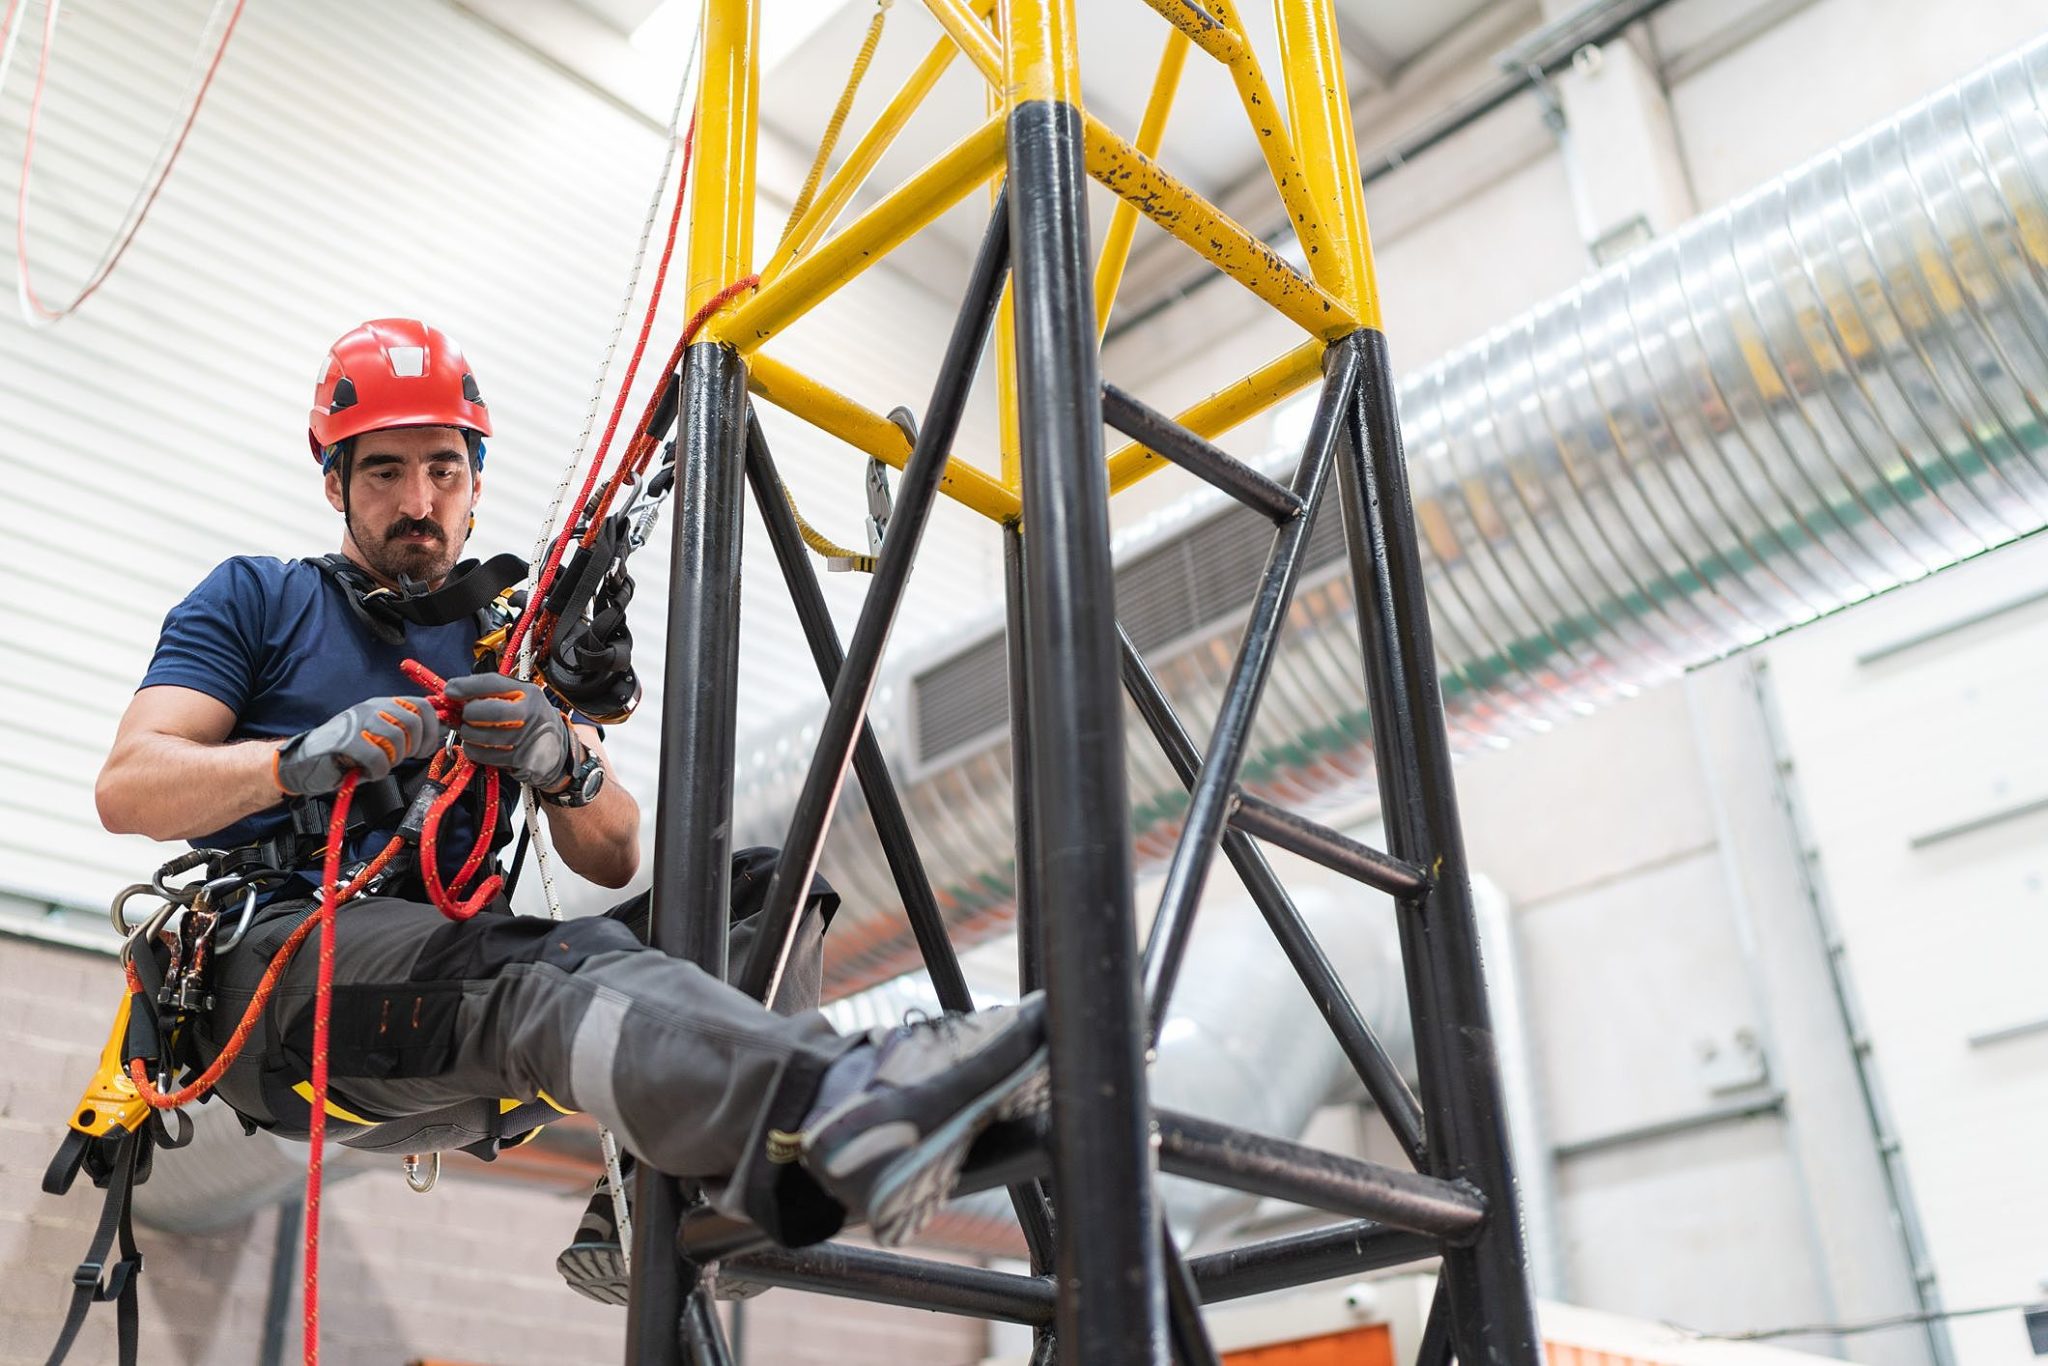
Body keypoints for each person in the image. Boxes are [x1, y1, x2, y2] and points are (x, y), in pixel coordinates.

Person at [91, 318, 1047, 1300]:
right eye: (382, 472)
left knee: (758, 892)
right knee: (543, 965)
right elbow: (130, 786)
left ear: (476, 476)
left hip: (460, 1004)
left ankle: (675, 1206)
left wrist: (559, 761)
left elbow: (613, 850)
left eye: (444, 471)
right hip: (284, 993)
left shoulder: (506, 636)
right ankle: (825, 1101)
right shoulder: (258, 599)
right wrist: (295, 764)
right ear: (333, 480)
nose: (417, 502)